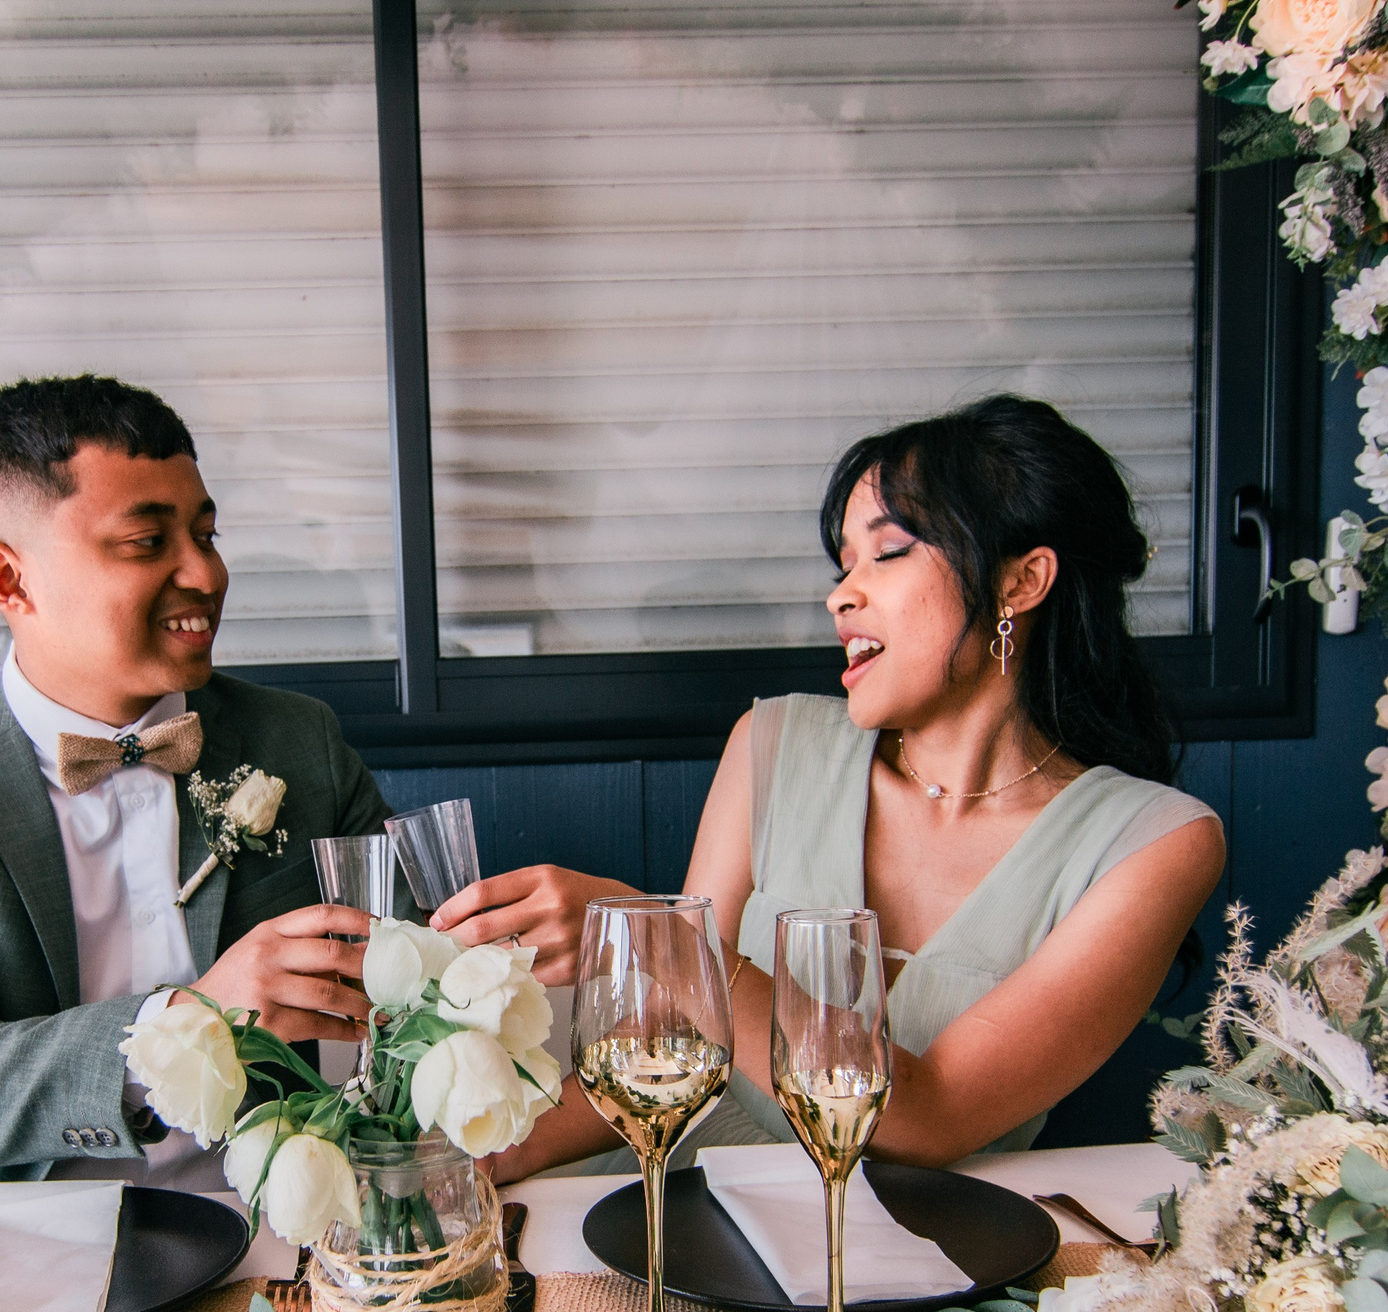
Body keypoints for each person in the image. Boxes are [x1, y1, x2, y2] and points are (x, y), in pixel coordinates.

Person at [462, 394, 1226, 1178]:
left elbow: (936, 1111)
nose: (841, 595)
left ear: (1021, 580)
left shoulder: (1155, 842)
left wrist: (664, 941)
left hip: (936, 1245)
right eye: (843, 565)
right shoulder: (774, 743)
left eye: (887, 553)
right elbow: (670, 1037)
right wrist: (486, 1154)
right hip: (679, 1212)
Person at [0, 376, 389, 1194]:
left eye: (207, 534)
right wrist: (184, 1023)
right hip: (25, 1240)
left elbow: (415, 969)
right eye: (148, 542)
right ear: (7, 578)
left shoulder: (300, 741)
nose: (207, 573)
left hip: (277, 1224)